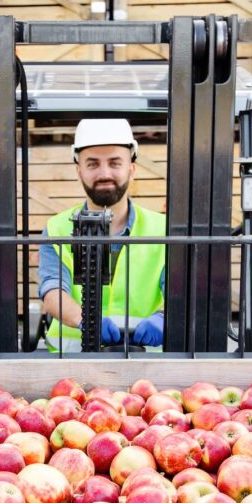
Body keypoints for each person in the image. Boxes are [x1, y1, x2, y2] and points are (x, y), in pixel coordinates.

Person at [38, 118, 167, 351]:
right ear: (79, 172)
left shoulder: (164, 230)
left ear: (132, 170)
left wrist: (166, 317)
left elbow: (181, 292)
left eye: (115, 163)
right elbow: (53, 289)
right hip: (69, 364)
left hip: (146, 363)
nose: (104, 173)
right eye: (93, 164)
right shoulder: (57, 229)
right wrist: (84, 321)